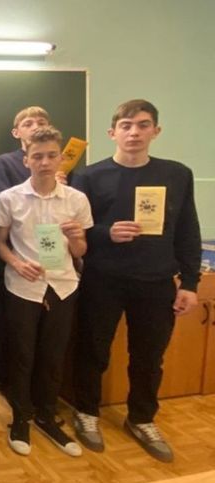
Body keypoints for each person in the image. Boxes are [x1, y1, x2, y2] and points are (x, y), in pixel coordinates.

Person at [71, 99, 201, 463]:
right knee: (92, 351)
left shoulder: (177, 174)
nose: (134, 133)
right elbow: (76, 230)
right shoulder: (89, 177)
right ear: (112, 132)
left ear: (155, 131)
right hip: (102, 280)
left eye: (143, 125)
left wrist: (190, 283)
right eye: (126, 126)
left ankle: (142, 418)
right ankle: (86, 412)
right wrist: (106, 232)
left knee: (149, 357)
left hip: (156, 281)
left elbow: (187, 230)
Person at [0, 126, 92, 457]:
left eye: (51, 156)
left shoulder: (76, 199)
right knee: (22, 356)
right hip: (23, 286)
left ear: (61, 157)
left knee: (53, 356)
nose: (45, 162)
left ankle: (48, 417)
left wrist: (76, 238)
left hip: (62, 286)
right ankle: (21, 419)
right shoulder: (10, 198)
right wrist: (16, 263)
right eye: (37, 156)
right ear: (26, 160)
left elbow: (80, 252)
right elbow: (0, 243)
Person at [0, 107, 51, 389]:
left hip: (51, 260)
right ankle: (15, 393)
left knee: (48, 337)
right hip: (14, 258)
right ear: (16, 132)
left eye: (41, 122)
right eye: (28, 123)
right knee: (15, 334)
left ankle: (43, 396)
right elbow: (0, 206)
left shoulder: (61, 165)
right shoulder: (6, 162)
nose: (35, 126)